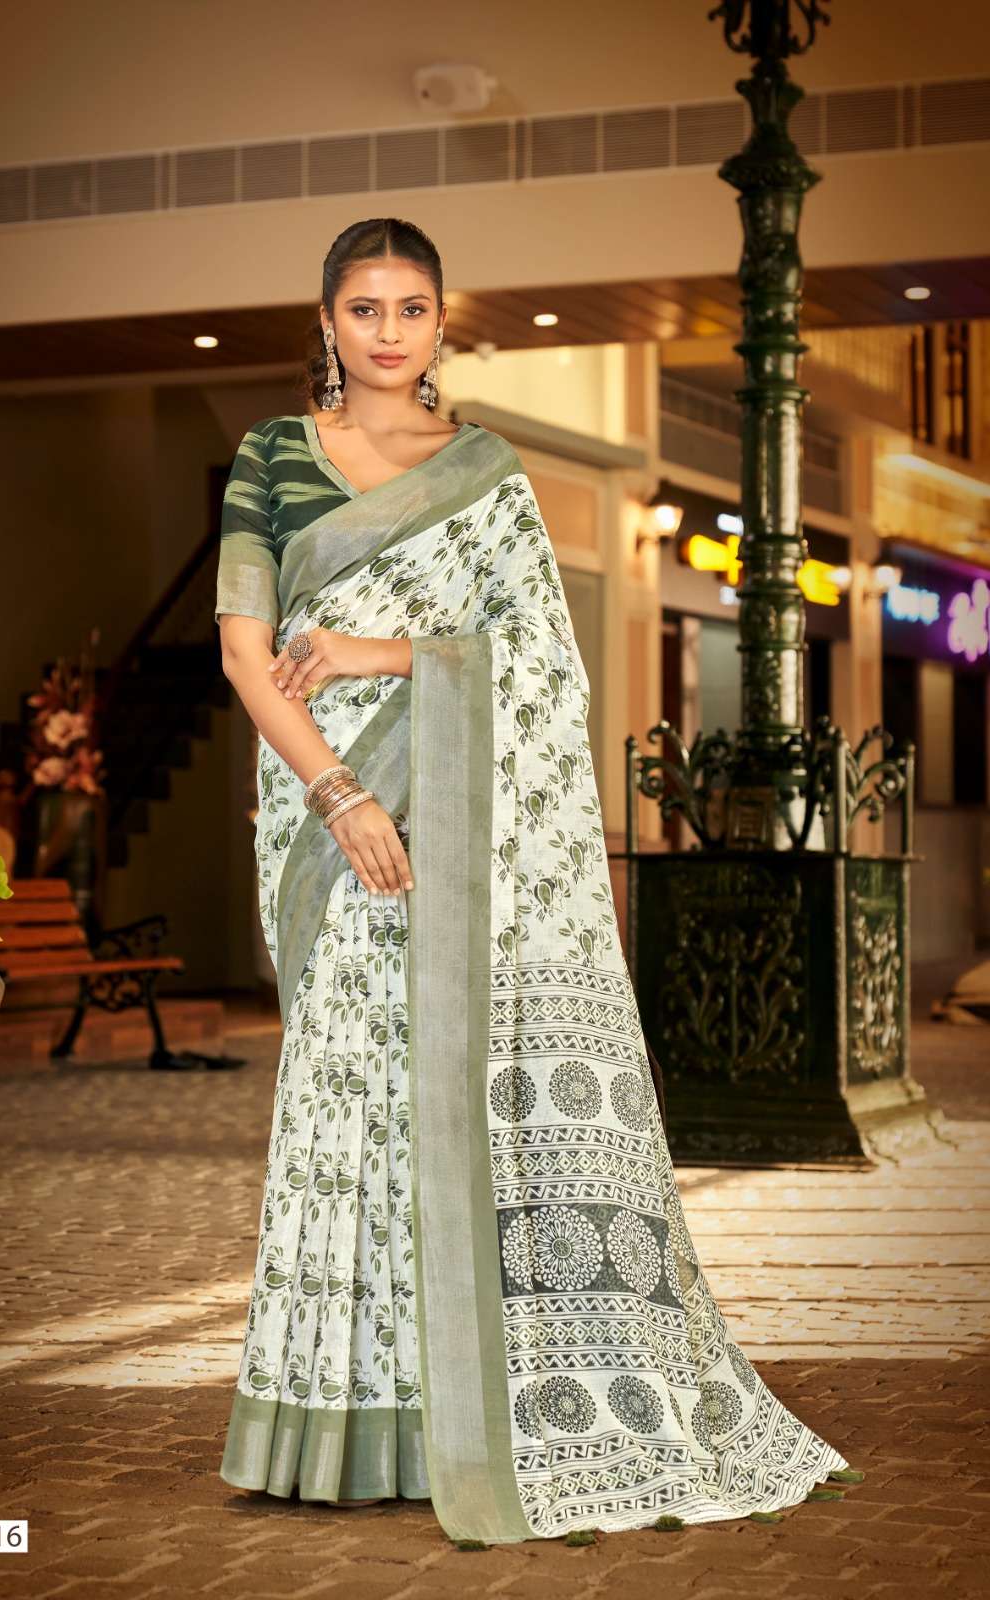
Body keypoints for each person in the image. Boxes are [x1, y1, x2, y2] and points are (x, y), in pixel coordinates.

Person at [215, 217, 862, 1545]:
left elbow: (545, 668)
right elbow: (244, 653)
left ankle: (473, 1413)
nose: (388, 332)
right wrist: (339, 795)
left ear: (441, 323)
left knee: (453, 1099)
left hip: (459, 837)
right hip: (331, 833)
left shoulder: (486, 470)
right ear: (325, 322)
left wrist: (382, 652)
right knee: (349, 1103)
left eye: (411, 308)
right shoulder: (272, 457)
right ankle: (342, 1422)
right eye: (363, 309)